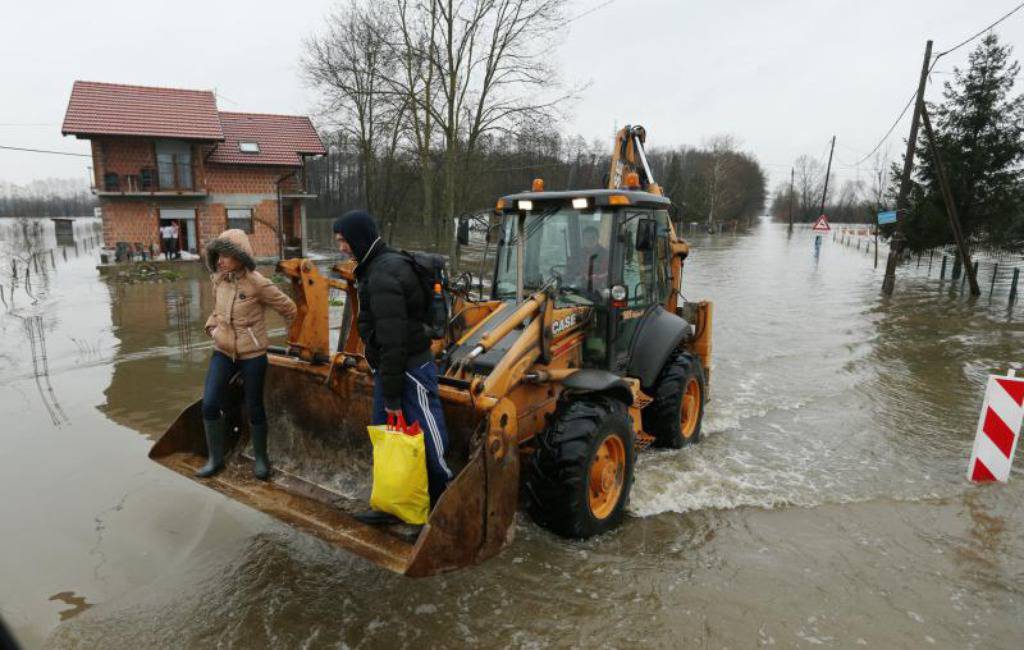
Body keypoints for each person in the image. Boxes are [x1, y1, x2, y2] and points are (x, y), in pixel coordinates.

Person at [333, 210, 453, 524]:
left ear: (359, 238)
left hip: (410, 371)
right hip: (390, 369)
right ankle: (392, 505)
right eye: (339, 241)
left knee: (426, 438)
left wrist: (393, 399)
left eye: (344, 240)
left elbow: (394, 342)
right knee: (387, 438)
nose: (342, 247)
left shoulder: (385, 275)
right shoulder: (373, 268)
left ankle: (443, 506)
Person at [198, 229, 297, 480]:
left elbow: (289, 308)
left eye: (225, 256)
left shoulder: (258, 283)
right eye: (217, 255)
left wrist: (292, 339)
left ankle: (262, 460)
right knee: (209, 403)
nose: (220, 261)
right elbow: (217, 310)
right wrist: (212, 327)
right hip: (222, 351)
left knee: (254, 407)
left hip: (252, 355)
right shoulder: (218, 280)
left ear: (240, 257)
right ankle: (215, 459)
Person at [570, 225, 609, 292]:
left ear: (597, 238)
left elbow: (609, 273)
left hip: (599, 290)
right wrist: (576, 275)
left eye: (593, 238)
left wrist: (597, 277)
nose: (590, 240)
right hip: (579, 288)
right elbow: (570, 270)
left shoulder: (605, 254)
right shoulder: (578, 254)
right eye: (587, 238)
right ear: (583, 239)